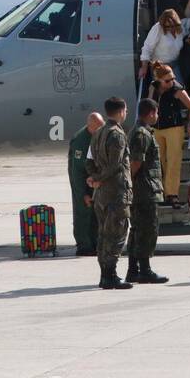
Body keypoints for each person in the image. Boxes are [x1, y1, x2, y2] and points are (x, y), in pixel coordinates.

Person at [86, 96, 133, 290]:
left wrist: (94, 177)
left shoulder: (97, 133)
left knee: (103, 234)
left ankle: (104, 274)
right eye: (126, 110)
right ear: (121, 111)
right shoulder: (117, 135)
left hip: (100, 195)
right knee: (117, 233)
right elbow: (115, 166)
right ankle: (111, 275)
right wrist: (99, 178)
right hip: (116, 193)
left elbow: (88, 162)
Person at [126, 98, 168, 285]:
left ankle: (133, 270)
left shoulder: (140, 131)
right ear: (151, 113)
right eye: (156, 113)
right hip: (144, 190)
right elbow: (135, 163)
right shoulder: (142, 134)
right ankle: (144, 270)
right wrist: (131, 183)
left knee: (137, 230)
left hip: (142, 189)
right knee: (146, 229)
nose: (157, 116)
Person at [149, 62, 190, 207]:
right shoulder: (153, 87)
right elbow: (149, 104)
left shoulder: (177, 90)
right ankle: (162, 192)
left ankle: (172, 194)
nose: (171, 82)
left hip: (174, 128)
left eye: (172, 79)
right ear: (158, 79)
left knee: (173, 161)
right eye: (167, 80)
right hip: (157, 128)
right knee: (160, 161)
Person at [68, 113, 104, 256]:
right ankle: (83, 245)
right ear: (91, 126)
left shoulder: (97, 135)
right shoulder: (80, 141)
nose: (102, 128)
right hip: (81, 180)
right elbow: (76, 171)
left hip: (93, 178)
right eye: (99, 126)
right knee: (83, 210)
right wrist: (82, 193)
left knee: (95, 211)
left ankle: (95, 242)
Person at [139, 10, 187, 88]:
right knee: (163, 90)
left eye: (172, 26)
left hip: (174, 65)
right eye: (167, 26)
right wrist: (144, 67)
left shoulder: (180, 29)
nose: (170, 28)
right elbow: (147, 48)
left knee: (180, 89)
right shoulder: (157, 28)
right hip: (160, 67)